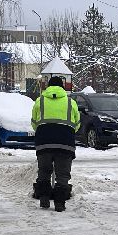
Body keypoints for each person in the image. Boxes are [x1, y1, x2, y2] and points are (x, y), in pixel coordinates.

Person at [30, 76, 80, 211]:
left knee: (44, 171)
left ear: (48, 87)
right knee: (63, 175)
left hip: (44, 142)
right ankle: (59, 203)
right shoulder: (70, 102)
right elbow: (77, 123)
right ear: (62, 87)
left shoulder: (40, 101)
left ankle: (44, 199)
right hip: (65, 142)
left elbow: (34, 123)